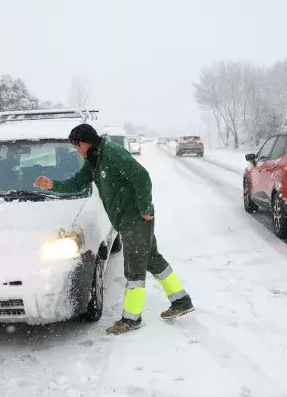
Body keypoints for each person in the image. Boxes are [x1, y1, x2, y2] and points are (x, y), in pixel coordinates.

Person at [35, 124, 194, 335]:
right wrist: (53, 185)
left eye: (76, 146)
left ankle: (131, 318)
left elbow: (141, 176)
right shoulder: (94, 159)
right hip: (126, 219)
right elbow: (78, 182)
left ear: (84, 143)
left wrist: (145, 207)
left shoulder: (112, 153)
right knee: (151, 259)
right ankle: (181, 301)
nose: (76, 151)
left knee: (134, 269)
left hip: (135, 218)